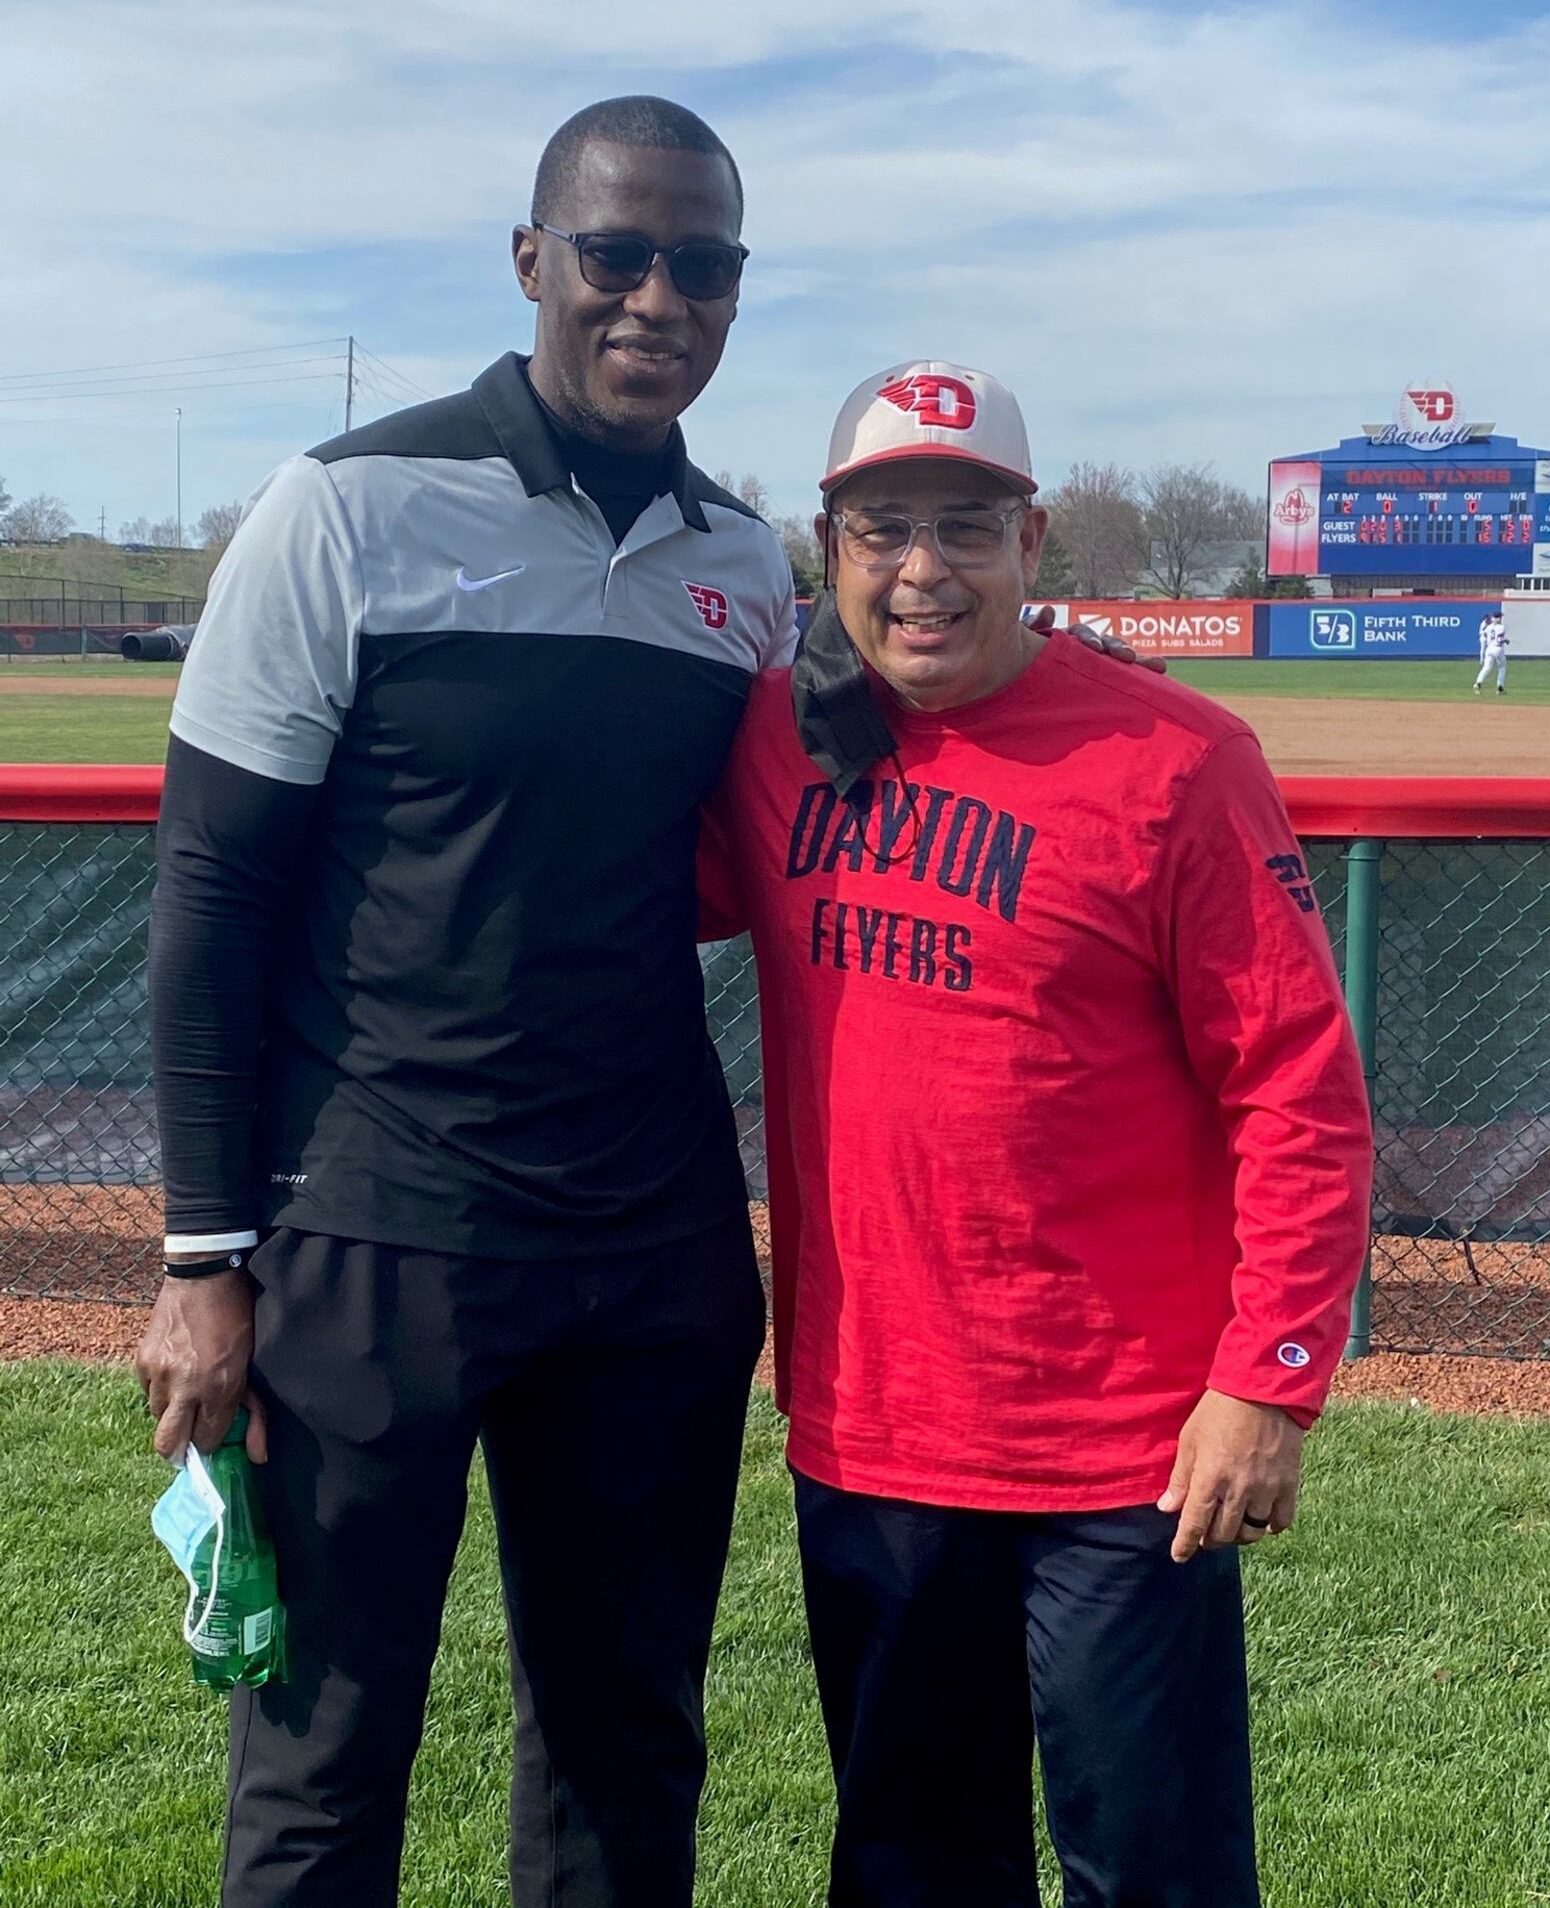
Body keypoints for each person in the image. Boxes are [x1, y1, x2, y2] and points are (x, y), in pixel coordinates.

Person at [134, 96, 799, 1908]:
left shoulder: (750, 568)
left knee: (626, 1739)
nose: (660, 293)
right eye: (619, 251)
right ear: (534, 263)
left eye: (706, 263)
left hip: (650, 1247)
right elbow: (209, 894)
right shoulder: (341, 505)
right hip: (376, 1226)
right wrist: (205, 1260)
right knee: (325, 1748)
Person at [699, 360, 1374, 1907]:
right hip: (872, 1423)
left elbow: (1300, 1090)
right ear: (828, 547)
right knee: (912, 1866)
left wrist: (1267, 1383)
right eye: (881, 530)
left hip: (1126, 1450)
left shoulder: (1179, 761)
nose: (922, 569)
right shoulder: (773, 740)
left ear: (1032, 540)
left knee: (1153, 1870)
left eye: (964, 526)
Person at [1475, 607, 1509, 694]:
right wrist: (1505, 640)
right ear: (1497, 619)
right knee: (1502, 667)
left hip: (1489, 648)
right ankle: (1500, 687)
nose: (1501, 618)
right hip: (1497, 648)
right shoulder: (1501, 627)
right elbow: (1499, 640)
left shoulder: (1489, 627)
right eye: (1500, 617)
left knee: (1487, 667)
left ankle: (1478, 683)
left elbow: (1485, 636)